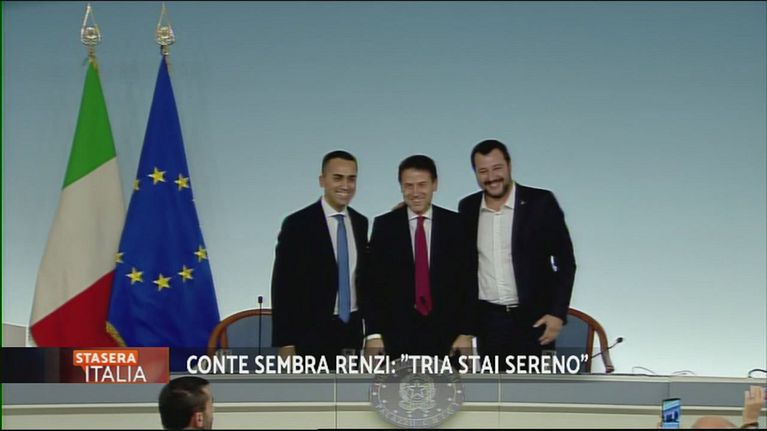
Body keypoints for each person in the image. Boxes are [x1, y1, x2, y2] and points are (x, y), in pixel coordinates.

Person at [458, 139, 576, 360]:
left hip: (535, 322)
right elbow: (461, 263)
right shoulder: (468, 208)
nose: (491, 177)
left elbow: (566, 262)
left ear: (509, 165)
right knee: (494, 383)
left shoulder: (541, 202)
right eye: (483, 171)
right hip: (489, 324)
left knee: (536, 383)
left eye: (497, 168)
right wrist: (406, 213)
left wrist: (557, 314)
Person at [365, 155, 476, 358]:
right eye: (408, 185)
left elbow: (469, 281)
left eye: (422, 184)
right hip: (395, 339)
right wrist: (373, 334)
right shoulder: (385, 226)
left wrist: (466, 332)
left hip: (449, 340)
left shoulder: (457, 225)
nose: (415, 192)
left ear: (435, 184)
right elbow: (372, 284)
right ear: (401, 187)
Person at [271, 150, 369, 362]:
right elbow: (283, 286)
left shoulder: (361, 223)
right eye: (338, 178)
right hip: (309, 335)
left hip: (351, 330)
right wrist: (286, 342)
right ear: (322, 180)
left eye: (351, 179)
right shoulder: (298, 224)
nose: (345, 185)